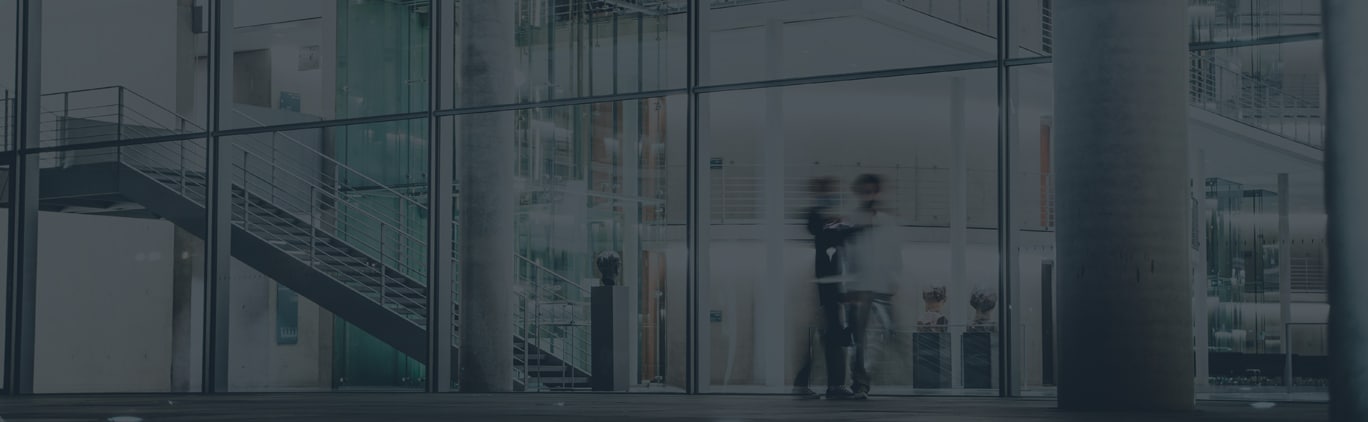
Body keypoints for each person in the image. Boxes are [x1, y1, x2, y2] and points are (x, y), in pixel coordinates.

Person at [792, 176, 860, 400]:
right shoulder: (818, 218)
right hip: (827, 291)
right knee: (829, 337)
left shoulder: (828, 220)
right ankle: (830, 385)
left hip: (830, 290)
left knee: (827, 338)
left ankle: (818, 384)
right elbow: (825, 233)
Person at [842, 173, 902, 400]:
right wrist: (848, 288)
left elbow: (895, 253)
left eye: (872, 191)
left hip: (882, 287)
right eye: (865, 191)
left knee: (883, 336)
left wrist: (893, 279)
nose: (869, 195)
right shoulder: (852, 219)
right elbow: (847, 255)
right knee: (860, 340)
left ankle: (868, 379)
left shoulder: (887, 221)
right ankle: (860, 383)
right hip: (859, 288)